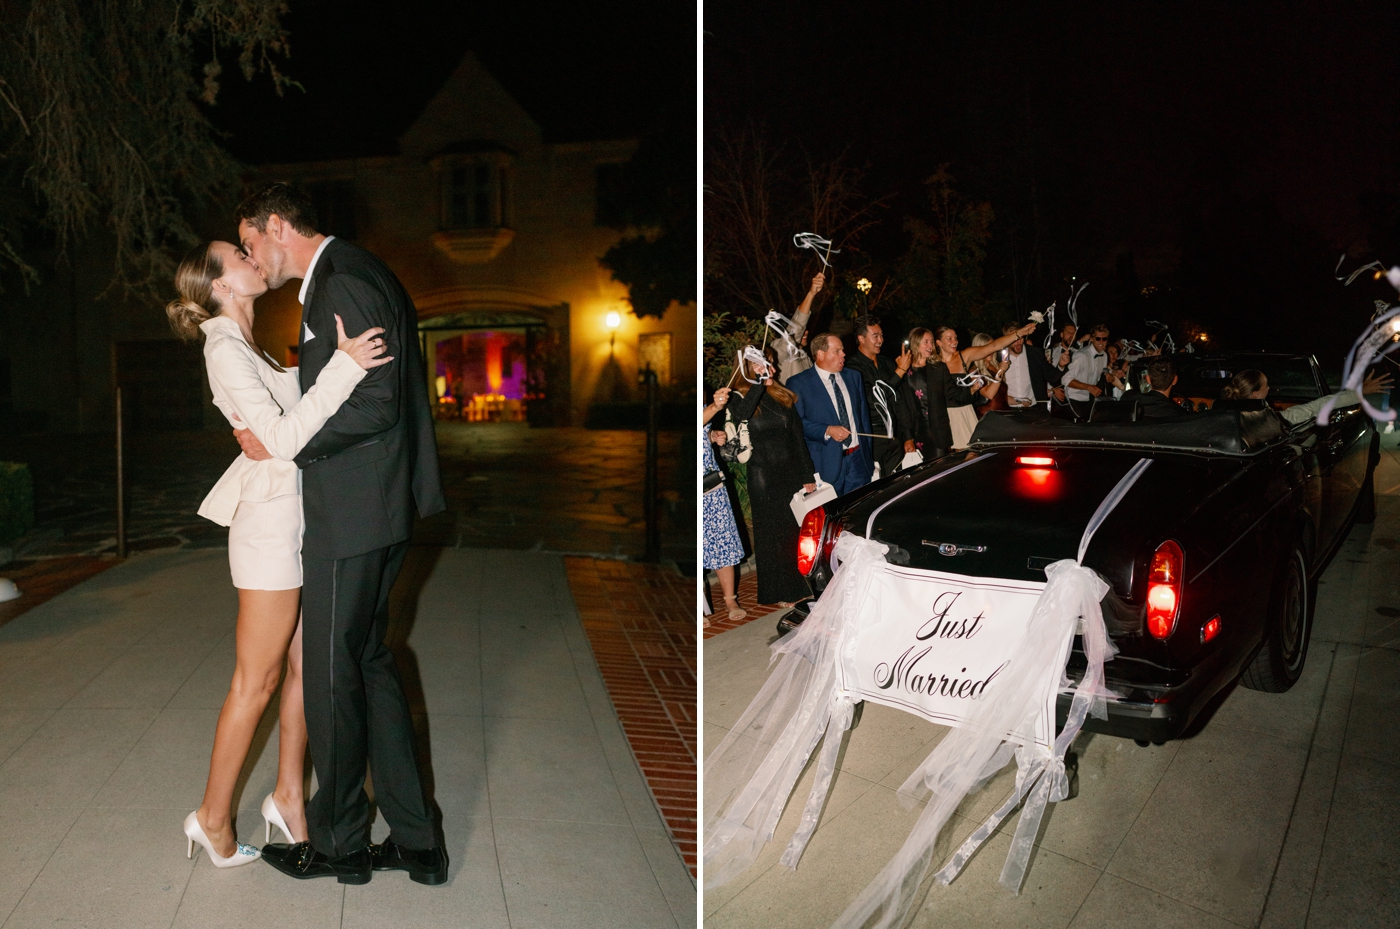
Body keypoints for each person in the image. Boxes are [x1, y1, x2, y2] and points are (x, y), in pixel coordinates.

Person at [233, 182, 449, 885]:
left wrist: (291, 443)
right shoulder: (353, 271)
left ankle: (339, 844)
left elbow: (378, 403)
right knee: (368, 663)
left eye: (249, 240)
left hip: (354, 511)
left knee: (329, 677)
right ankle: (418, 841)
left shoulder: (343, 282)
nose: (251, 256)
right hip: (378, 506)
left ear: (275, 227)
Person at [166, 241, 391, 868]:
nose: (250, 255)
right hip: (267, 529)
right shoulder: (224, 348)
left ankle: (289, 796)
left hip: (296, 522)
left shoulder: (250, 345)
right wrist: (346, 366)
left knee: (302, 669)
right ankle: (212, 817)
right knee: (256, 680)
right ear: (220, 284)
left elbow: (288, 419)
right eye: (236, 253)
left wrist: (319, 378)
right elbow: (289, 438)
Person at [723, 348, 817, 607]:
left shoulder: (782, 394)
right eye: (764, 365)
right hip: (762, 474)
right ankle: (780, 591)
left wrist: (807, 474)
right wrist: (758, 384)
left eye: (771, 365)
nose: (772, 370)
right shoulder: (737, 395)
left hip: (790, 472)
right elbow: (742, 414)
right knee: (772, 534)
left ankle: (802, 583)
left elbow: (798, 439)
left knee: (795, 531)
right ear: (747, 367)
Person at [789, 333, 874, 494]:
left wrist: (867, 457)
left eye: (842, 350)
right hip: (825, 464)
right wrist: (827, 430)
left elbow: (864, 419)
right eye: (837, 351)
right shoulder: (799, 383)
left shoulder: (853, 377)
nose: (843, 354)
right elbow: (797, 425)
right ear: (820, 354)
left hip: (858, 461)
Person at [935, 323, 1036, 448]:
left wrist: (1018, 334)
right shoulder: (933, 363)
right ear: (939, 342)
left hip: (964, 412)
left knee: (971, 454)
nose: (954, 341)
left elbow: (993, 346)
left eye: (955, 338)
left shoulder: (964, 356)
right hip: (944, 415)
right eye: (949, 338)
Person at [844, 314, 910, 477]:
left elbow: (899, 401)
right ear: (861, 338)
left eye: (881, 335)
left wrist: (908, 436)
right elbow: (874, 399)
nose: (880, 340)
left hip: (894, 436)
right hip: (872, 438)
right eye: (875, 336)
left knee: (899, 483)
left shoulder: (887, 363)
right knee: (875, 486)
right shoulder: (852, 368)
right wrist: (900, 371)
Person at [702, 388, 746, 625]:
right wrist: (716, 406)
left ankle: (730, 599)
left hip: (711, 488)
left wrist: (713, 436)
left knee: (723, 542)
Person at [1221, 368, 1393, 425]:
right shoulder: (1270, 421)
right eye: (1266, 385)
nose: (1269, 387)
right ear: (1256, 393)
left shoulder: (1220, 416)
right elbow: (1317, 406)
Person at [895, 328, 960, 460]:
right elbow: (901, 405)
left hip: (937, 434)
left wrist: (972, 390)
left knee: (939, 473)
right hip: (915, 433)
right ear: (916, 343)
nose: (931, 346)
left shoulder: (938, 368)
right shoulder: (903, 370)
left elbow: (952, 396)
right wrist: (908, 435)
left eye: (931, 342)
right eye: (926, 342)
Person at [775, 273, 824, 383]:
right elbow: (797, 327)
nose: (805, 332)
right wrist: (811, 294)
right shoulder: (780, 352)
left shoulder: (805, 356)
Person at [1064, 323, 1112, 420]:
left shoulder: (1105, 355)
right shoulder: (1082, 355)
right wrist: (1088, 387)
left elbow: (1103, 373)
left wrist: (1110, 375)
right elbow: (1065, 380)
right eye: (1098, 338)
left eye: (1104, 339)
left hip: (1090, 399)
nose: (1101, 342)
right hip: (1074, 399)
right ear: (1091, 339)